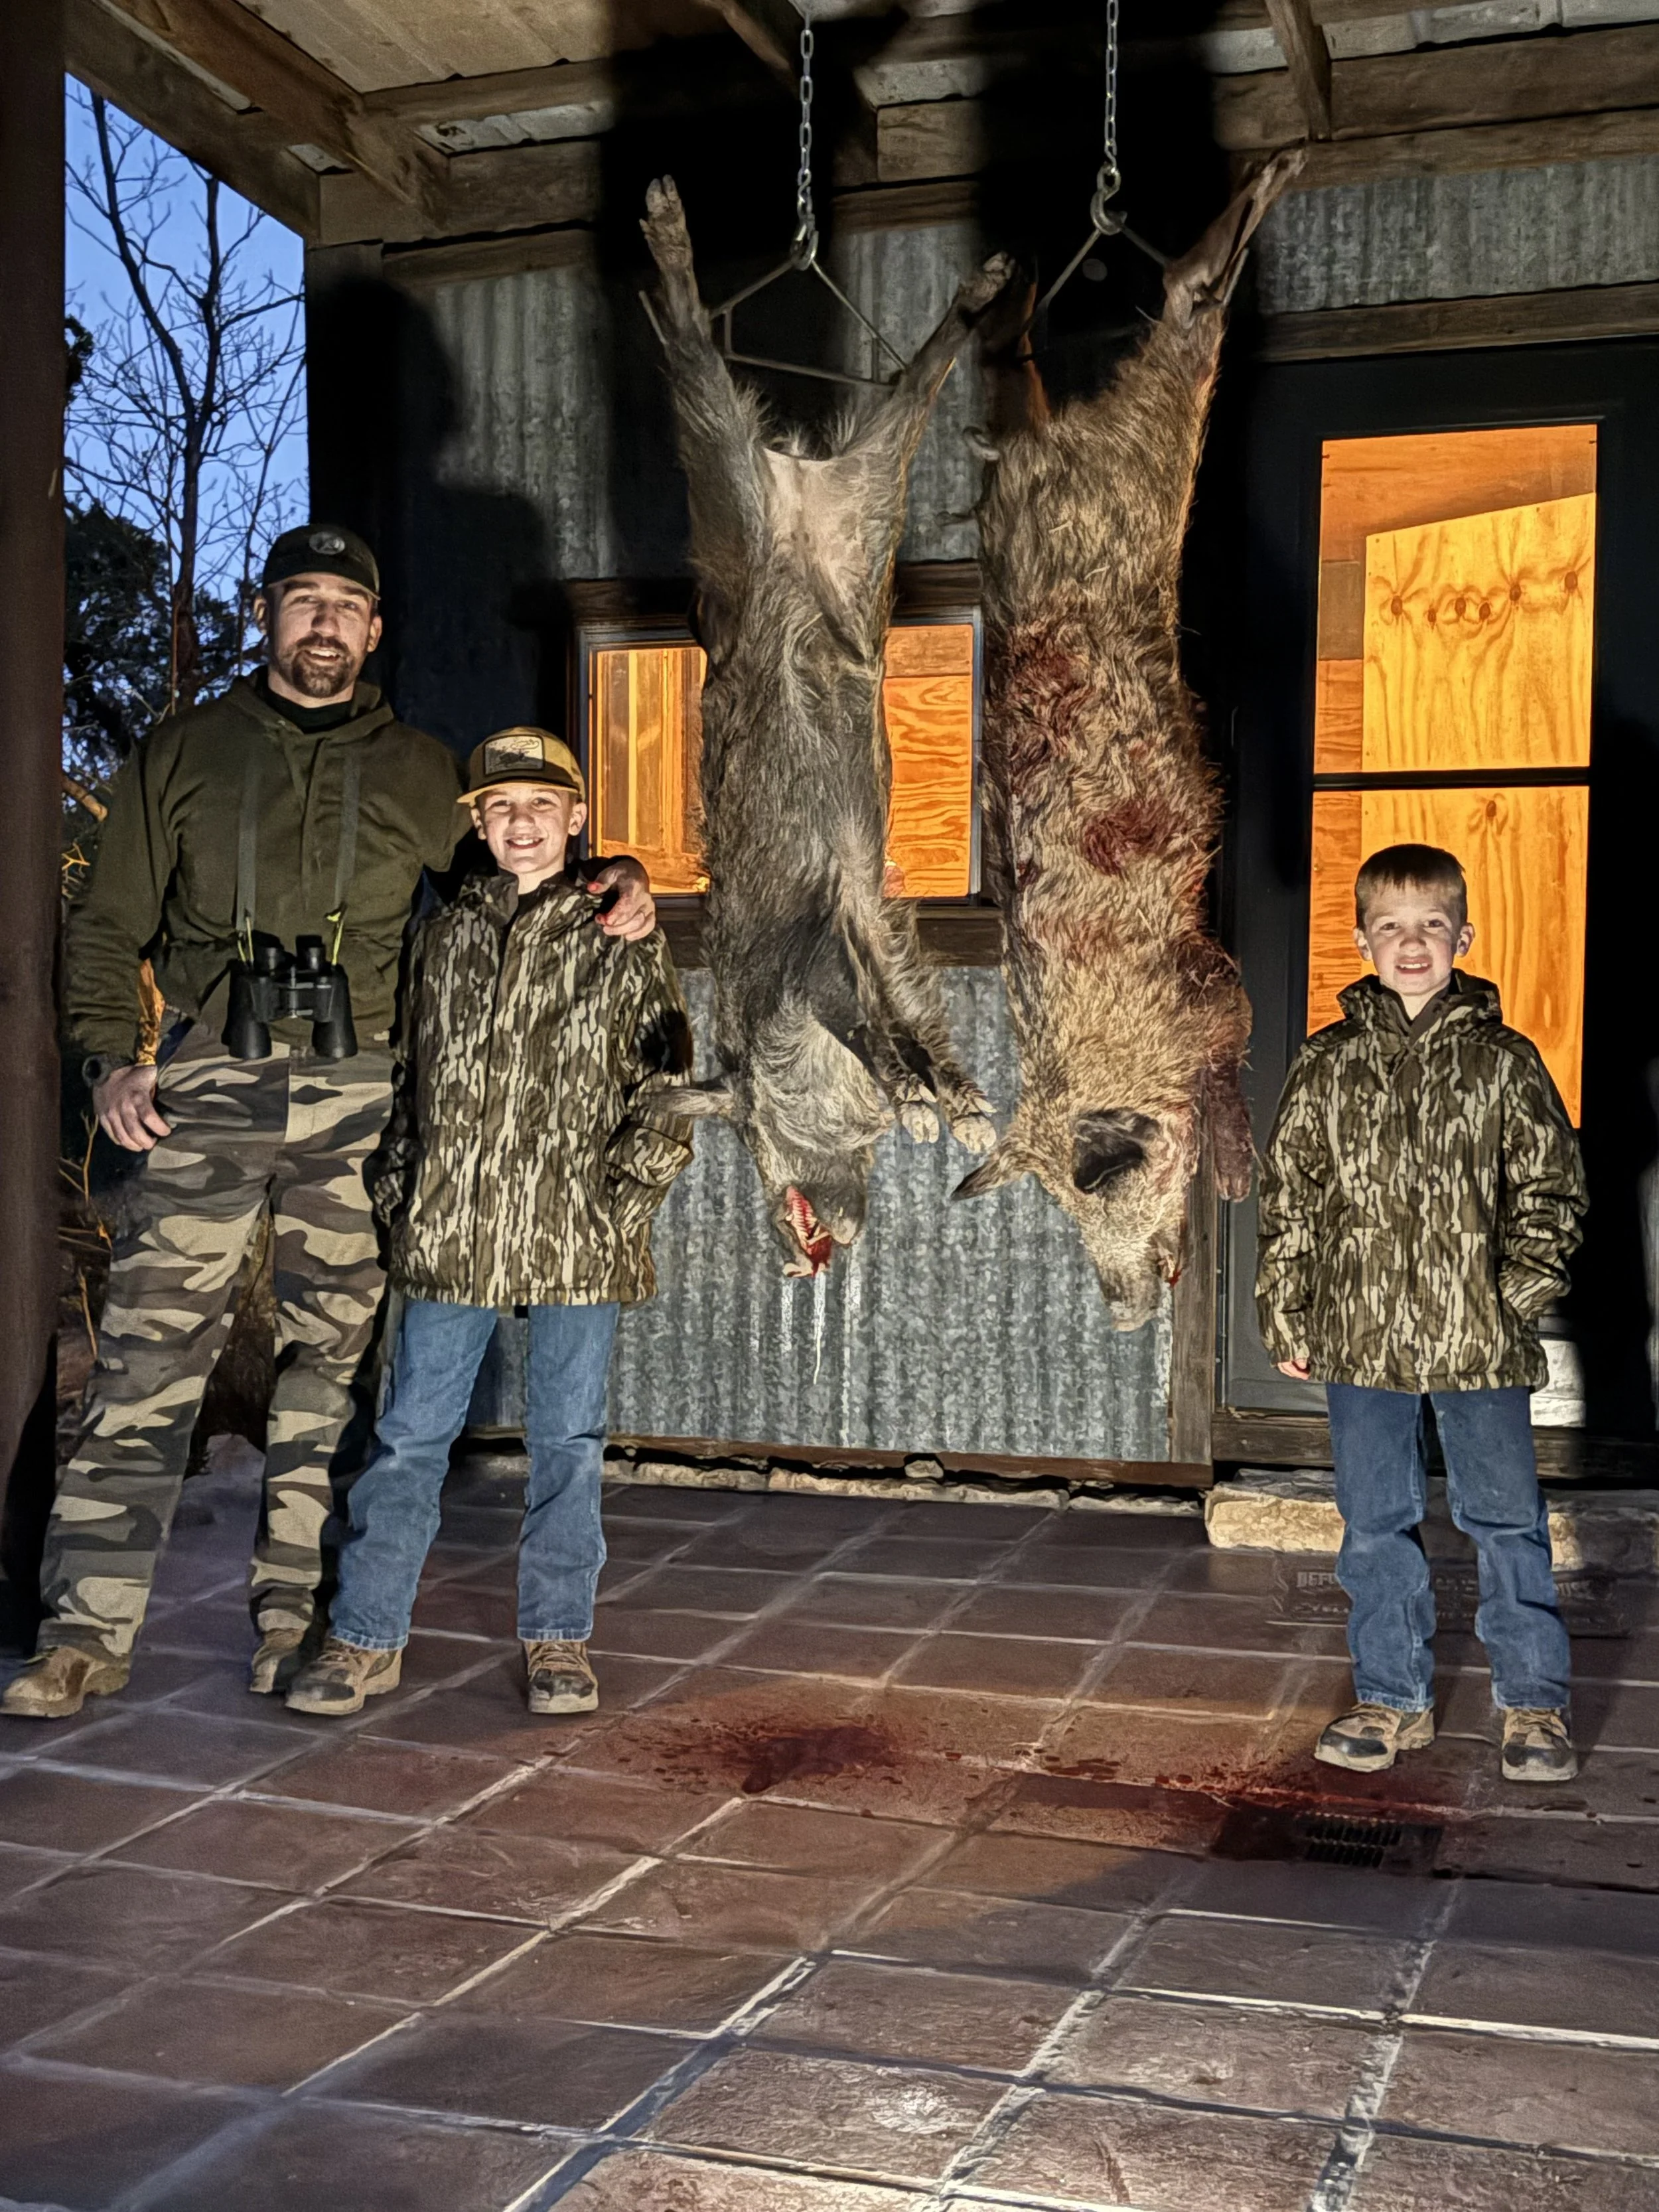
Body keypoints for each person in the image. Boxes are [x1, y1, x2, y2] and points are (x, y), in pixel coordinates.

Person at [5, 526, 656, 1721]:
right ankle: (83, 1638)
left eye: (345, 607)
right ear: (265, 614)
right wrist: (111, 1060)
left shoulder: (418, 769)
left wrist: (617, 872)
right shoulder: (183, 751)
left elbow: (517, 873)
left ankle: (293, 1624)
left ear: (372, 630)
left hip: (362, 1093)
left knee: (332, 1372)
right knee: (149, 1362)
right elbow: (104, 926)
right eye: (302, 602)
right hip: (208, 1081)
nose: (323, 625)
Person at [284, 727, 692, 1719]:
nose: (521, 822)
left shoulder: (621, 932)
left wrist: (619, 1200)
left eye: (541, 805)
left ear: (577, 817)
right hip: (451, 1231)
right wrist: (402, 1194)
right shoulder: (443, 935)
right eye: (501, 806)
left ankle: (559, 1638)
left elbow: (669, 1081)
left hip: (574, 1235)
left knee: (568, 1441)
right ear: (478, 821)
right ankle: (364, 1637)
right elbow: (407, 1081)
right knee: (410, 1438)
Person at [1256, 842, 1587, 1784]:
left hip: (1479, 1342)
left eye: (1431, 926)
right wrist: (1292, 1311)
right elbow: (1293, 1195)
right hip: (1361, 1341)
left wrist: (1516, 1290)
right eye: (1392, 927)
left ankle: (1532, 1705)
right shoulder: (1327, 1064)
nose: (1412, 944)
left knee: (1506, 1520)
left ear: (1463, 938)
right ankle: (1390, 1698)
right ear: (1362, 941)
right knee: (1373, 1521)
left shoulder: (1503, 1061)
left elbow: (1551, 1189)